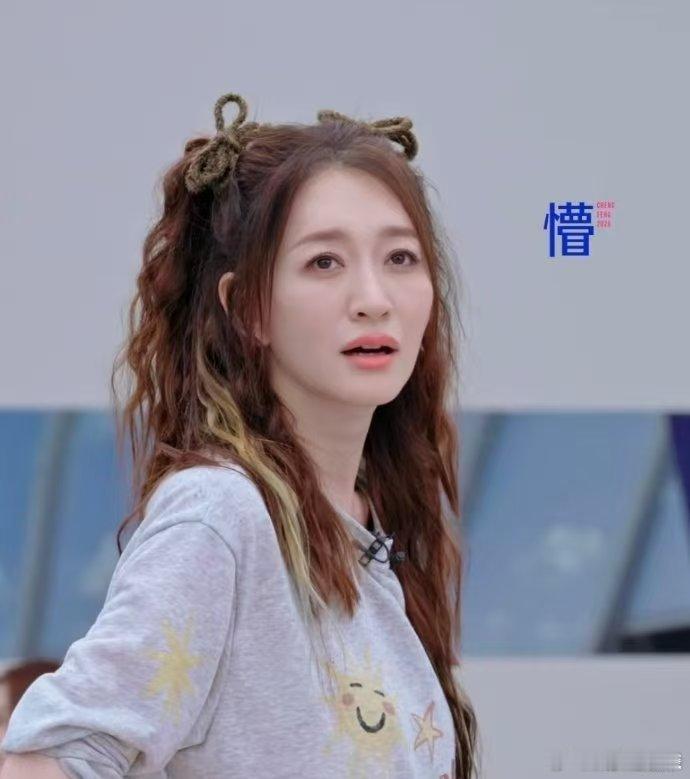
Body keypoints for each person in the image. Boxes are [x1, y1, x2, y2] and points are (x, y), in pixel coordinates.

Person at [0, 91, 481, 778]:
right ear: (246, 307)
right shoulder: (222, 517)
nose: (374, 298)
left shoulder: (371, 528)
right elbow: (50, 759)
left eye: (400, 258)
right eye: (324, 262)